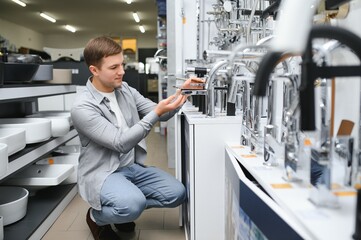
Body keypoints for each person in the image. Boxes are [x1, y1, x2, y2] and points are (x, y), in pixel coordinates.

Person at [71, 36, 202, 240]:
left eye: (121, 64)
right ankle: (97, 217)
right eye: (114, 67)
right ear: (94, 70)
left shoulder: (125, 90)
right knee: (133, 205)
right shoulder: (83, 106)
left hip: (131, 167)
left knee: (177, 194)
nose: (122, 71)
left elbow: (162, 113)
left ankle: (123, 211)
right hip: (103, 172)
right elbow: (120, 143)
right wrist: (155, 113)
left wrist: (183, 92)